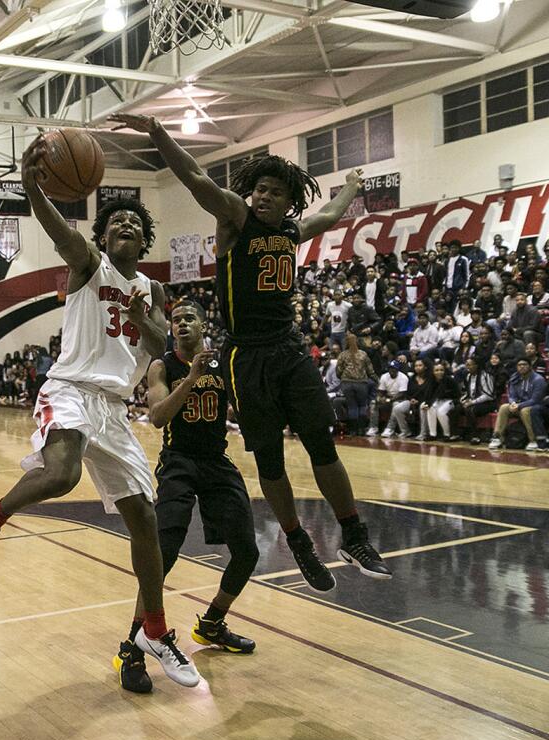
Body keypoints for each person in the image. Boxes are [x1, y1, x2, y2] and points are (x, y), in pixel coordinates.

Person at [0, 133, 200, 689]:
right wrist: (30, 181)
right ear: (102, 238)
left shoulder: (154, 291)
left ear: (146, 236)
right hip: (69, 389)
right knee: (61, 475)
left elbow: (164, 347)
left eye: (135, 224)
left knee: (146, 523)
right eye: (115, 225)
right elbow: (56, 227)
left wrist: (144, 316)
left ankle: (154, 630)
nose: (126, 228)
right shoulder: (88, 265)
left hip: (114, 408)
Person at [111, 112, 391, 591]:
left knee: (322, 443)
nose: (262, 196)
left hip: (290, 349)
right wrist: (158, 134)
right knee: (270, 460)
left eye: (274, 192)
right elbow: (197, 178)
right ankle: (298, 541)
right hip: (246, 355)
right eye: (258, 188)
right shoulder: (235, 220)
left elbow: (328, 215)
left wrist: (351, 184)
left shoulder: (290, 233)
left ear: (288, 202)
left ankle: (353, 533)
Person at [112, 299, 261, 693]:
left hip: (216, 460)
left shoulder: (222, 361)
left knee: (247, 551)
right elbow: (158, 416)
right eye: (175, 320)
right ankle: (133, 647)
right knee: (163, 552)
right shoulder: (163, 366)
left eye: (188, 318)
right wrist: (192, 378)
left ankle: (212, 622)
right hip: (178, 461)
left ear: (201, 323)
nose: (180, 324)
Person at [490, 357, 546, 451]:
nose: (522, 367)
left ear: (530, 366)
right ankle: (497, 437)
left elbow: (535, 400)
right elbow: (511, 395)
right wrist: (512, 403)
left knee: (525, 411)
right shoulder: (514, 378)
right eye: (519, 365)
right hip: (518, 405)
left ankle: (533, 440)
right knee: (504, 407)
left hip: (536, 406)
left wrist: (519, 406)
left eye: (524, 365)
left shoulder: (538, 380)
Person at [456, 356, 498, 443]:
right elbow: (467, 393)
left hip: (489, 403)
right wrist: (463, 400)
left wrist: (472, 402)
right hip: (475, 401)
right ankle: (455, 434)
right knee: (456, 408)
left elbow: (488, 395)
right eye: (466, 365)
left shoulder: (486, 376)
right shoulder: (468, 376)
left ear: (476, 365)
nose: (468, 367)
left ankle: (475, 435)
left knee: (470, 409)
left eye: (470, 365)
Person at [419, 360, 461, 441]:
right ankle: (432, 434)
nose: (439, 372)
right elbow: (429, 395)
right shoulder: (431, 380)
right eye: (437, 370)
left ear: (444, 371)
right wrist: (427, 403)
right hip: (438, 400)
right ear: (433, 372)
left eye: (441, 370)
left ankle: (447, 434)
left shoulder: (449, 380)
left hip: (451, 400)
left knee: (441, 412)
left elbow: (457, 394)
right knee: (430, 408)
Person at [374, 361, 410, 438]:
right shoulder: (384, 376)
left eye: (394, 369)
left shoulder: (403, 377)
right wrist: (379, 397)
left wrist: (389, 400)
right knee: (373, 402)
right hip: (388, 396)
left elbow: (402, 394)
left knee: (395, 405)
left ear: (398, 369)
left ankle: (390, 428)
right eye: (390, 368)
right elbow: (381, 391)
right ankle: (373, 427)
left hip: (401, 399)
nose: (392, 371)